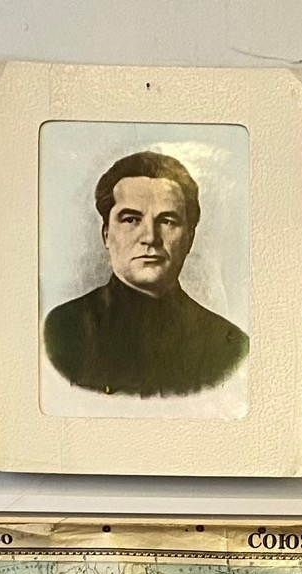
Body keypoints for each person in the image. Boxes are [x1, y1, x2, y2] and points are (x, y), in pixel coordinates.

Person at [43, 150, 248, 397]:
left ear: (189, 238)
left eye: (168, 221)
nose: (151, 237)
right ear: (106, 234)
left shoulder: (227, 345)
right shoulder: (64, 330)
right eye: (131, 219)